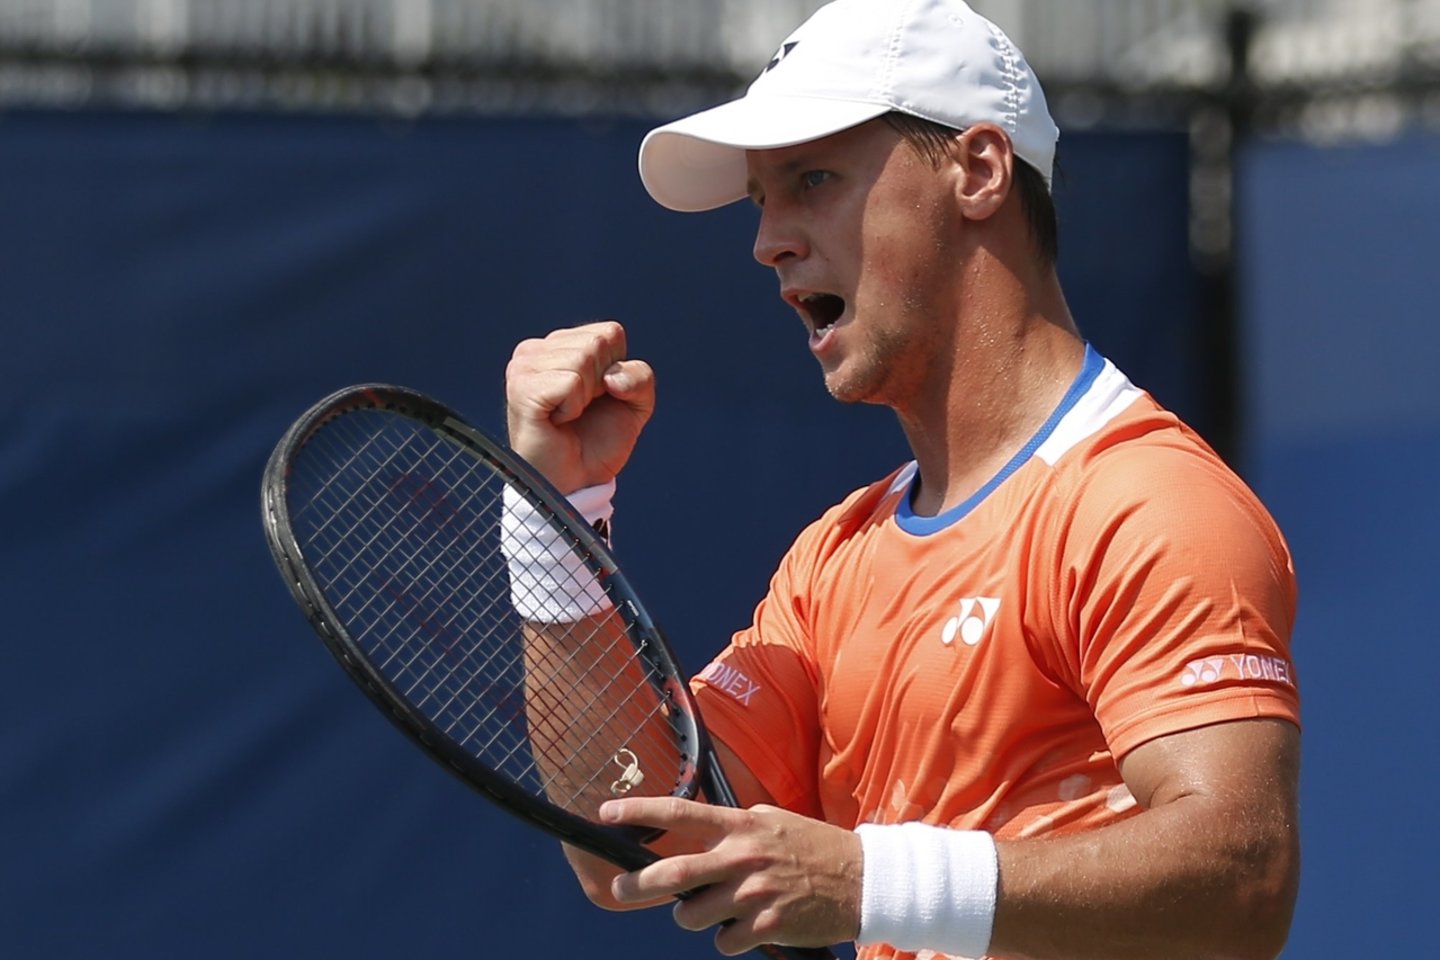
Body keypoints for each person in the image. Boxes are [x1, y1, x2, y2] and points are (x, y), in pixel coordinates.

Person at [503, 1, 1301, 958]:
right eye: (761, 199)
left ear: (979, 171)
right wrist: (559, 521)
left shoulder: (1145, 505)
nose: (769, 241)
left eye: (814, 179)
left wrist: (867, 881)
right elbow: (635, 838)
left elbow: (1242, 880)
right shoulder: (835, 560)